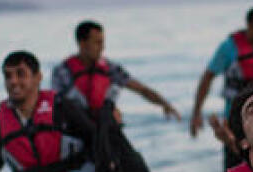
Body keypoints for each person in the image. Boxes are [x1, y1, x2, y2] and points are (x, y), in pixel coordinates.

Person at [189, 6, 253, 172]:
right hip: (236, 120)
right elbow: (207, 78)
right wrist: (196, 113)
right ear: (250, 25)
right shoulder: (229, 48)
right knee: (236, 169)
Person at [52, 20, 181, 123]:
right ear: (82, 43)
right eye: (97, 43)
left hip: (107, 128)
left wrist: (165, 104)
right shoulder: (62, 72)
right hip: (77, 129)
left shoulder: (110, 69)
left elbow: (142, 90)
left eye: (102, 42)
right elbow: (57, 106)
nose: (102, 47)